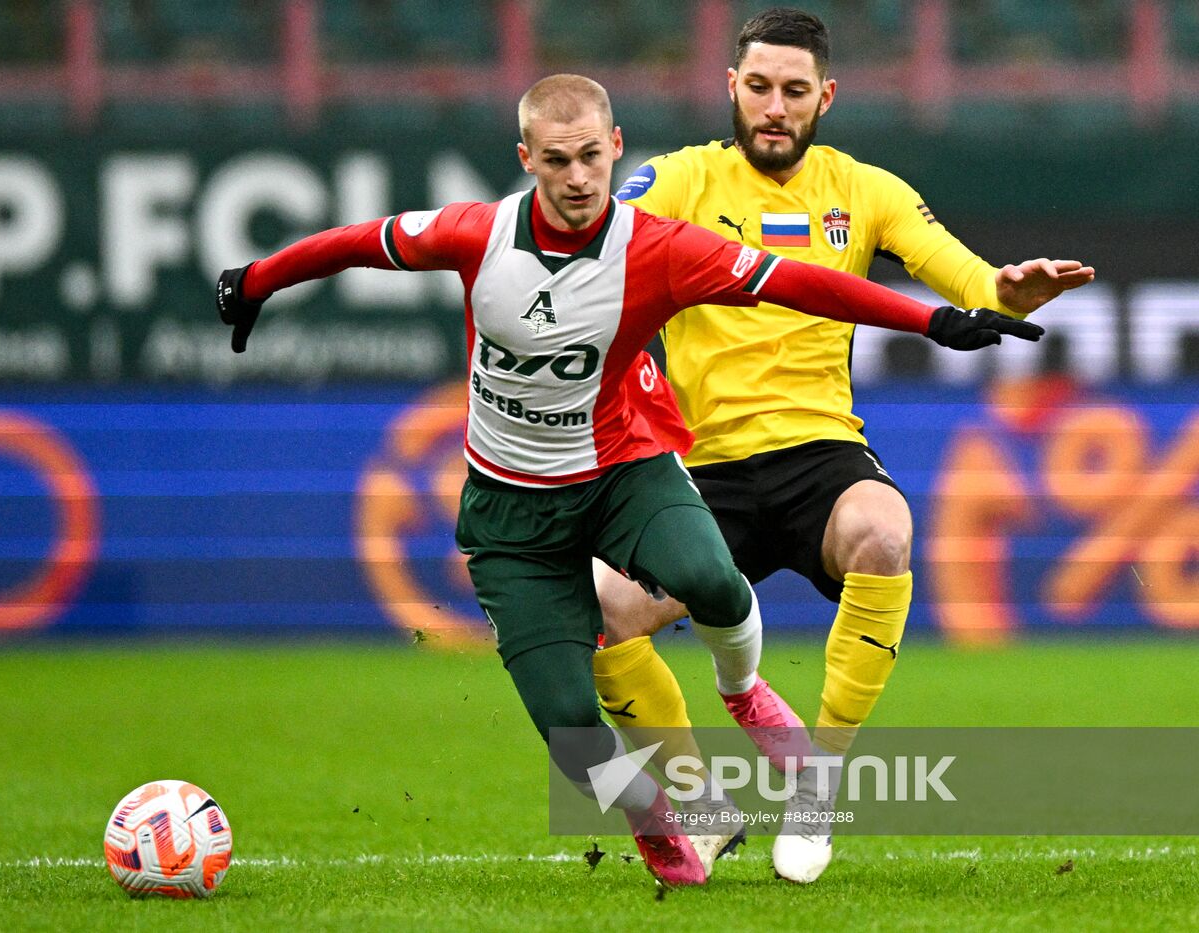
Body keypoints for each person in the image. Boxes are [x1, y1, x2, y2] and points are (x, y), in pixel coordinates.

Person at [213, 73, 1042, 887]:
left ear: (614, 149)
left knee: (713, 580)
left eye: (590, 158)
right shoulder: (477, 235)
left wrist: (932, 317)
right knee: (575, 738)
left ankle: (747, 695)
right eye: (556, 161)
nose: (577, 179)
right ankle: (676, 812)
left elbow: (793, 281)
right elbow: (361, 241)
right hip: (510, 515)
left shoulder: (656, 248)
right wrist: (255, 282)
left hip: (622, 474)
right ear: (526, 158)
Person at [592, 7, 1096, 884]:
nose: (774, 108)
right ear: (730, 89)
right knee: (606, 610)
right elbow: (605, 236)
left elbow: (970, 284)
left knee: (886, 532)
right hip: (700, 470)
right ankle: (701, 805)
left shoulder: (868, 191)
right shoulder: (678, 179)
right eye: (758, 88)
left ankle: (816, 788)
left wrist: (1013, 291)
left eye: (794, 91)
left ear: (825, 96)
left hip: (820, 453)